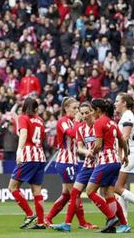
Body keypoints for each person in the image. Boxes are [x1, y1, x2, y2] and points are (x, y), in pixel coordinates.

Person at [45, 97, 94, 229]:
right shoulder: (63, 121)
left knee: (67, 195)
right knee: (75, 193)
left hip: (73, 161)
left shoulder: (74, 122)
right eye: (74, 108)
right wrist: (78, 121)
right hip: (65, 161)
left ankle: (47, 218)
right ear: (66, 109)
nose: (77, 111)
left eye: (78, 108)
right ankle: (82, 223)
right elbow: (72, 134)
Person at [85, 98, 129, 233]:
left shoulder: (99, 122)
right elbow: (122, 141)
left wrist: (91, 152)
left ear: (98, 110)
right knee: (108, 193)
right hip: (115, 161)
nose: (91, 113)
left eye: (92, 110)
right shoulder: (112, 123)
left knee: (90, 191)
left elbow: (98, 144)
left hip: (106, 161)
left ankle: (111, 218)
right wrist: (125, 155)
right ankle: (121, 224)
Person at [8, 97, 46, 230]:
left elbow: (24, 134)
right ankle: (41, 222)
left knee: (12, 187)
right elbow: (41, 139)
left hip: (28, 156)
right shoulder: (40, 120)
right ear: (36, 108)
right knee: (37, 190)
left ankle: (29, 214)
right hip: (40, 157)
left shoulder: (23, 118)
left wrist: (19, 151)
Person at [114, 93, 134, 224]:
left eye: (117, 101)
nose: (115, 103)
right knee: (121, 188)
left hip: (127, 154)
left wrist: (121, 154)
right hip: (128, 153)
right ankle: (124, 221)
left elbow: (125, 137)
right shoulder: (126, 115)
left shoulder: (127, 115)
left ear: (124, 103)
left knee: (117, 188)